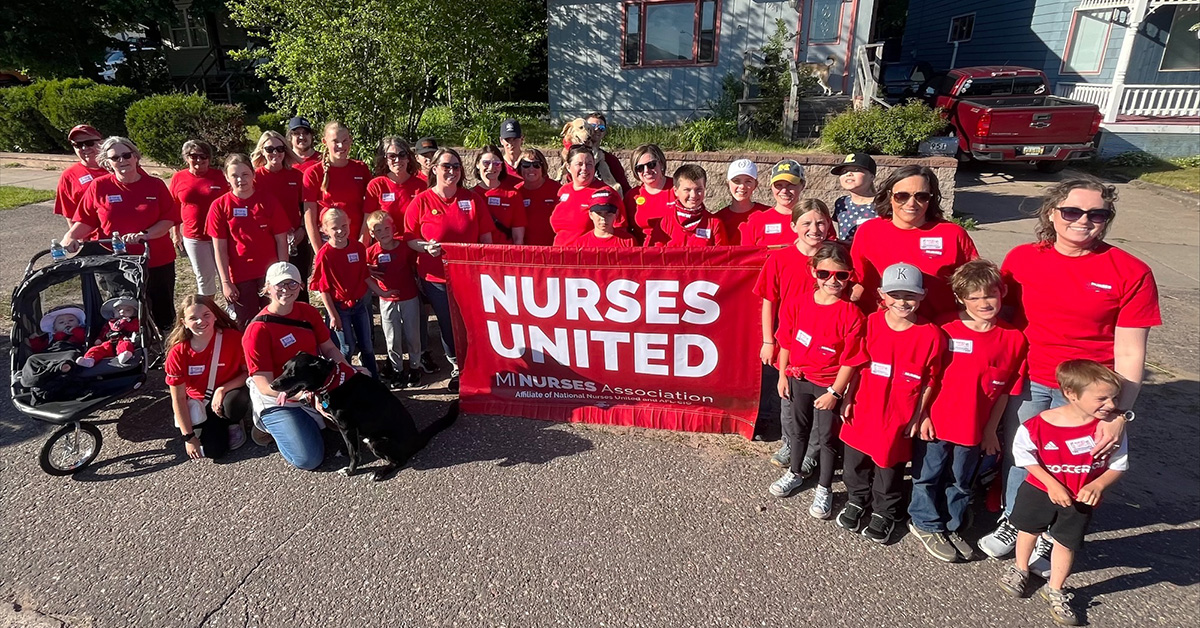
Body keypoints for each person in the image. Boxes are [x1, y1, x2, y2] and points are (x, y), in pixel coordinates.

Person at [979, 177, 1160, 559]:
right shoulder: (1022, 259)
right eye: (1072, 211)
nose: (1084, 220)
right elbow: (1002, 319)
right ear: (1052, 213)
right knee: (1022, 454)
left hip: (1088, 393)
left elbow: (1130, 353)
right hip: (1030, 378)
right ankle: (1017, 518)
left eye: (1097, 214)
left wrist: (1119, 414)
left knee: (1073, 463)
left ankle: (1053, 533)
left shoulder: (1131, 272)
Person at [909, 260, 1028, 563]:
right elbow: (925, 376)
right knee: (929, 474)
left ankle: (952, 525)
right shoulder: (944, 327)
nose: (983, 303)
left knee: (961, 480)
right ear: (961, 298)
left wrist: (990, 431)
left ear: (1001, 293)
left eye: (989, 295)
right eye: (973, 297)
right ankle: (925, 523)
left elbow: (1005, 391)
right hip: (936, 422)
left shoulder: (1013, 338)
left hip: (974, 427)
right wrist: (922, 415)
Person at [997, 360, 1128, 627]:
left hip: (1080, 498)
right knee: (1028, 531)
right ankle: (1020, 568)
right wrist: (1051, 484)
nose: (1112, 405)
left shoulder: (1108, 432)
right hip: (1039, 490)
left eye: (1114, 398)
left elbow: (1119, 465)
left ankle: (1056, 588)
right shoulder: (1038, 424)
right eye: (1102, 398)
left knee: (1066, 543)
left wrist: (1098, 485)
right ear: (1071, 393)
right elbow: (1023, 456)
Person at [837, 263, 946, 544]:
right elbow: (856, 364)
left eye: (909, 296)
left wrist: (918, 415)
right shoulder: (871, 323)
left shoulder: (931, 335)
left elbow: (930, 380)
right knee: (855, 462)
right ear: (882, 296)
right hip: (863, 406)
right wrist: (847, 398)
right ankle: (857, 499)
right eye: (895, 295)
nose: (902, 302)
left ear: (921, 297)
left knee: (888, 466)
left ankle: (885, 511)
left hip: (898, 414)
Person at [769, 241, 866, 521]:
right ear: (813, 272)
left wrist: (836, 392)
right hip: (798, 378)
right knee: (797, 431)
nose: (832, 281)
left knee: (825, 439)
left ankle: (824, 487)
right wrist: (782, 374)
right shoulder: (797, 303)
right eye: (825, 274)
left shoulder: (852, 314)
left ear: (849, 275)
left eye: (841, 275)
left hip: (827, 387)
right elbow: (785, 340)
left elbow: (851, 358)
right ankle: (795, 472)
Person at [61, 136, 179, 331]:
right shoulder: (99, 186)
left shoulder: (155, 185)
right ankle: (129, 349)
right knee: (123, 310)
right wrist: (71, 236)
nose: (122, 160)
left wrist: (145, 235)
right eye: (115, 158)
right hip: (116, 261)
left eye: (126, 155)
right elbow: (86, 219)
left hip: (156, 259)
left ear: (136, 157)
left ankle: (165, 348)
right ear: (107, 163)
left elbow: (168, 219)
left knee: (162, 310)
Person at [242, 262, 351, 469]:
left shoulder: (307, 312)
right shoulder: (257, 331)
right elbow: (265, 386)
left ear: (301, 286)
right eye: (279, 285)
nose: (286, 289)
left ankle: (311, 422)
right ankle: (269, 427)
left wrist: (348, 371)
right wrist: (305, 397)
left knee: (363, 405)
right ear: (267, 288)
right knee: (309, 459)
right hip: (279, 396)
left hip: (311, 385)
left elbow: (329, 349)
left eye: (292, 284)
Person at [405, 148, 494, 393]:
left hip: (470, 276)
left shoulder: (473, 199)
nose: (452, 171)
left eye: (456, 166)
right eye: (446, 166)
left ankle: (478, 364)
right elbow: (410, 238)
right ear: (434, 169)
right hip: (436, 278)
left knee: (473, 321)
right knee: (448, 323)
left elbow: (486, 237)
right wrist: (424, 248)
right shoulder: (422, 201)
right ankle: (457, 365)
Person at [754, 199, 836, 469]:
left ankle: (812, 453)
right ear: (793, 226)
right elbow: (769, 301)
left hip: (826, 345)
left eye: (821, 221)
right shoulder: (780, 258)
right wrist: (768, 341)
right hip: (790, 344)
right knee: (788, 399)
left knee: (819, 405)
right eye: (807, 223)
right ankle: (790, 444)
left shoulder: (835, 260)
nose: (815, 228)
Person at [850, 164, 979, 318]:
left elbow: (975, 285)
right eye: (902, 196)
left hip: (939, 326)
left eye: (921, 196)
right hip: (884, 329)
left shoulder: (953, 234)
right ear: (889, 196)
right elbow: (855, 281)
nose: (911, 203)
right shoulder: (868, 231)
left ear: (930, 199)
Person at [207, 153, 290, 325]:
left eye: (245, 174)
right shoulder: (219, 206)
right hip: (240, 277)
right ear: (227, 178)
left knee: (275, 319)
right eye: (234, 175)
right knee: (247, 323)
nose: (240, 180)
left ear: (253, 174)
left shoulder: (268, 201)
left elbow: (282, 241)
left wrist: (283, 275)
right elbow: (220, 249)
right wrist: (225, 282)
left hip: (270, 274)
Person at [165, 295, 250, 460]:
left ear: (215, 315)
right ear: (184, 323)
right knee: (214, 452)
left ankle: (233, 421)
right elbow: (178, 398)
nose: (200, 321)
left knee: (233, 403)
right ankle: (204, 425)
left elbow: (248, 373)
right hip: (200, 402)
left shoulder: (233, 338)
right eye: (193, 318)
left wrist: (223, 389)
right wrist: (188, 437)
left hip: (227, 395)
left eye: (206, 315)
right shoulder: (178, 353)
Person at [310, 207, 380, 379]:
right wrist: (333, 315)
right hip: (339, 308)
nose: (340, 231)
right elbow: (323, 288)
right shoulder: (325, 255)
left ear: (349, 223)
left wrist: (382, 292)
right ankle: (344, 379)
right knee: (346, 347)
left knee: (367, 346)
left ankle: (374, 380)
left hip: (359, 304)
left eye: (343, 225)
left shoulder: (357, 247)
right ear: (325, 229)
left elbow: (364, 276)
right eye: (334, 228)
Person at [251, 130, 310, 300]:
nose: (275, 153)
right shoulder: (255, 178)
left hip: (295, 240)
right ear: (262, 151)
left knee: (298, 284)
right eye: (270, 149)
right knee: (272, 287)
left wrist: (302, 229)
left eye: (280, 148)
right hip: (267, 242)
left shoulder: (297, 176)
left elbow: (305, 207)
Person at [366, 211, 422, 388]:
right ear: (372, 234)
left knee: (413, 334)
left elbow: (415, 265)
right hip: (387, 300)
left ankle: (415, 366)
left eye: (386, 228)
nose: (383, 233)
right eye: (378, 231)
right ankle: (397, 369)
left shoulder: (405, 247)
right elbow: (362, 269)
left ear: (393, 228)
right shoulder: (371, 252)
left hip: (409, 297)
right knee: (392, 337)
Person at [169, 140, 228, 297]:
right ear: (186, 157)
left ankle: (233, 313)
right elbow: (174, 207)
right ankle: (208, 312)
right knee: (204, 277)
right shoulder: (178, 178)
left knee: (228, 275)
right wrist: (176, 233)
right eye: (194, 156)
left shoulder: (220, 176)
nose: (199, 160)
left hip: (221, 235)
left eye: (204, 156)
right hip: (194, 237)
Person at [302, 121, 371, 252]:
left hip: (357, 241)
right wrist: (320, 253)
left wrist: (363, 244)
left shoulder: (360, 169)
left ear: (350, 140)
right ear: (324, 142)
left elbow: (369, 209)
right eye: (335, 141)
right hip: (328, 243)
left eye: (345, 140)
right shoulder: (313, 173)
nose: (341, 145)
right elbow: (309, 218)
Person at [550, 145, 626, 246]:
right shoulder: (563, 191)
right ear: (568, 167)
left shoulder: (606, 193)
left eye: (589, 164)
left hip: (587, 256)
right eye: (579, 164)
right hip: (560, 254)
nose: (584, 168)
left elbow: (620, 230)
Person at [644, 165, 729, 247]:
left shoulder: (714, 224)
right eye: (687, 190)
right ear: (676, 191)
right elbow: (655, 258)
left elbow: (722, 258)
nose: (693, 195)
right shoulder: (664, 224)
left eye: (698, 189)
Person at [364, 136, 424, 233]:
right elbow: (367, 223)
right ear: (385, 160)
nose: (397, 160)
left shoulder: (421, 186)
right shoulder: (377, 185)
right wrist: (362, 247)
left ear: (408, 158)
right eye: (392, 156)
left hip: (412, 244)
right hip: (385, 244)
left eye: (402, 155)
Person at [742, 160, 806, 247]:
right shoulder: (756, 222)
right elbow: (746, 257)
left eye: (790, 185)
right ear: (771, 187)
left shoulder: (816, 219)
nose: (784, 191)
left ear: (802, 185)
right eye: (778, 185)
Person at [54, 124, 108, 227]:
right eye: (77, 145)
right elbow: (70, 215)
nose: (84, 148)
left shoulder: (121, 166)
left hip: (126, 237)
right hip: (92, 239)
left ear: (102, 142)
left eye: (89, 143)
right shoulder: (69, 176)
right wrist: (78, 240)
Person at [473, 145, 526, 244]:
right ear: (477, 164)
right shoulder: (470, 195)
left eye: (497, 163)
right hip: (476, 255)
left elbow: (518, 237)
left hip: (504, 255)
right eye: (486, 163)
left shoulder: (512, 195)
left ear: (502, 167)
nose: (491, 167)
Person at [624, 144, 672, 243]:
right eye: (640, 168)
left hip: (674, 251)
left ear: (661, 164)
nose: (646, 171)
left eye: (651, 165)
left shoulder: (678, 188)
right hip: (644, 253)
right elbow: (625, 230)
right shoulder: (632, 196)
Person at [716, 158, 769, 244]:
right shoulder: (718, 219)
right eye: (736, 181)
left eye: (748, 181)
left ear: (755, 185)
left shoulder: (767, 214)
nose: (742, 186)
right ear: (727, 184)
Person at [514, 148, 559, 246]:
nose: (531, 169)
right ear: (520, 168)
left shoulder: (557, 190)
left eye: (536, 165)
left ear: (543, 167)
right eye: (526, 165)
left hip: (552, 248)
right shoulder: (516, 192)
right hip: (525, 249)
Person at [830, 153, 877, 243]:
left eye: (856, 170)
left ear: (871, 176)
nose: (849, 174)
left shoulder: (883, 203)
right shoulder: (841, 203)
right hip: (846, 255)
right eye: (844, 171)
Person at [79, 296, 139, 367]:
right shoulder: (111, 323)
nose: (122, 312)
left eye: (128, 310)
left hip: (123, 339)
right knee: (97, 349)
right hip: (109, 342)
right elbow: (104, 332)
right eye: (119, 310)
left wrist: (125, 323)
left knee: (126, 345)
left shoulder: (134, 321)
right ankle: (89, 360)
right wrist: (100, 339)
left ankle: (124, 356)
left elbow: (136, 328)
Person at [585, 112, 631, 194]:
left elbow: (625, 189)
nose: (597, 130)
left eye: (601, 128)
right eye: (592, 126)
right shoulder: (576, 157)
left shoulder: (611, 160)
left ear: (604, 133)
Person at [556, 202, 636, 247]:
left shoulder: (628, 241)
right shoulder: (580, 244)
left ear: (616, 214)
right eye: (599, 213)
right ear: (591, 215)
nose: (603, 218)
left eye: (608, 213)